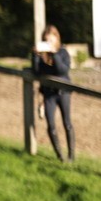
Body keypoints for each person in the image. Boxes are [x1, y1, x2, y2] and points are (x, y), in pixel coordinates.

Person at [32, 24, 75, 162]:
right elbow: (37, 71)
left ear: (57, 39)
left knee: (67, 123)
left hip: (63, 93)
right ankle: (60, 157)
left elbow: (62, 70)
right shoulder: (42, 55)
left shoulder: (62, 52)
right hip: (49, 93)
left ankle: (71, 156)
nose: (49, 43)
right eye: (46, 40)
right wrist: (35, 55)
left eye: (51, 40)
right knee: (51, 126)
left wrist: (54, 53)